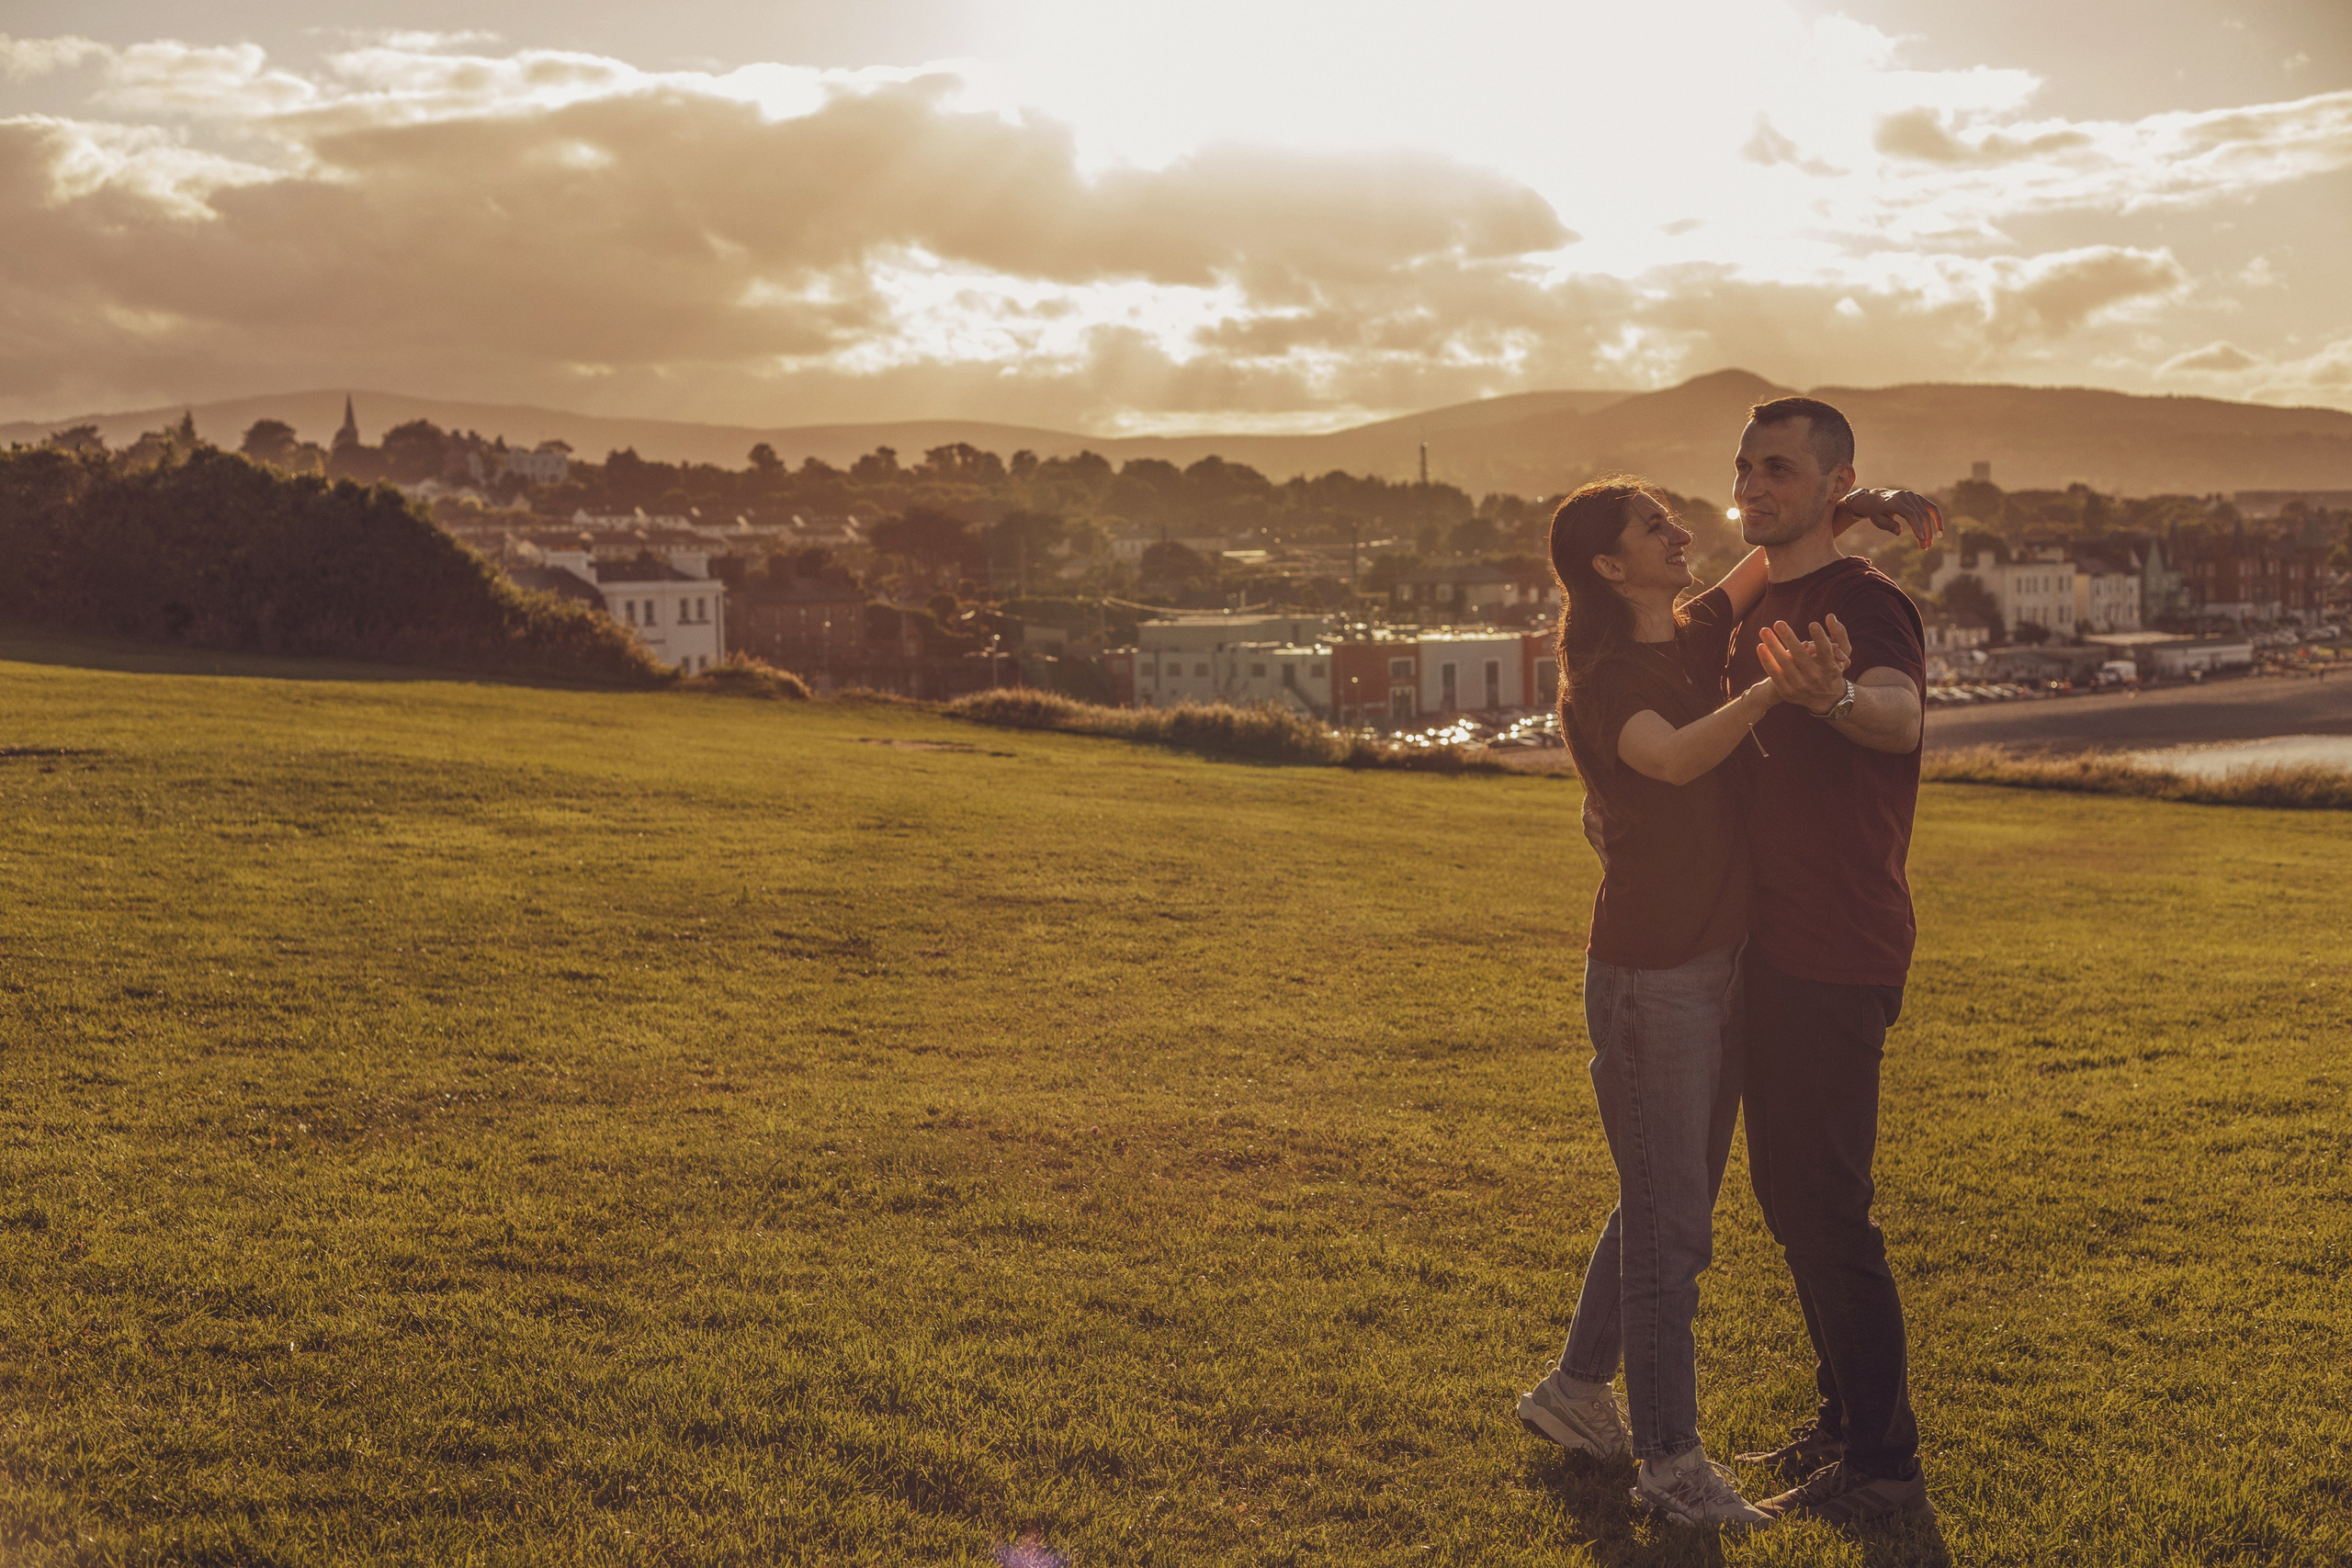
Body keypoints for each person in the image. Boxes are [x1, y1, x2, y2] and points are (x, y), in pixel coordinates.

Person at [1514, 474, 1939, 1529]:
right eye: (1652, 529)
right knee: (1673, 1234)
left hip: (1714, 966)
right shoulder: (1611, 674)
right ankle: (1669, 1466)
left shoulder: (1695, 624)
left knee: (1662, 1202)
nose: (1680, 532)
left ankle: (1574, 1392)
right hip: (1652, 977)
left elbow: (1764, 556)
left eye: (1671, 518)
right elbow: (1668, 758)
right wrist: (1769, 694)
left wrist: (1853, 503)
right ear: (1609, 570)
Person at [1720, 396, 1939, 1526]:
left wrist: (1836, 695)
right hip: (1762, 947)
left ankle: (1883, 1465)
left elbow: (1898, 716)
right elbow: (1720, 589)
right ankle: (1843, 1421)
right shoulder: (1758, 593)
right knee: (1789, 1198)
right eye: (1746, 468)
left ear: (1830, 478)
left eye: (1781, 471)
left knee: (1827, 1205)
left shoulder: (1863, 600)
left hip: (1835, 943)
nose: (1754, 486)